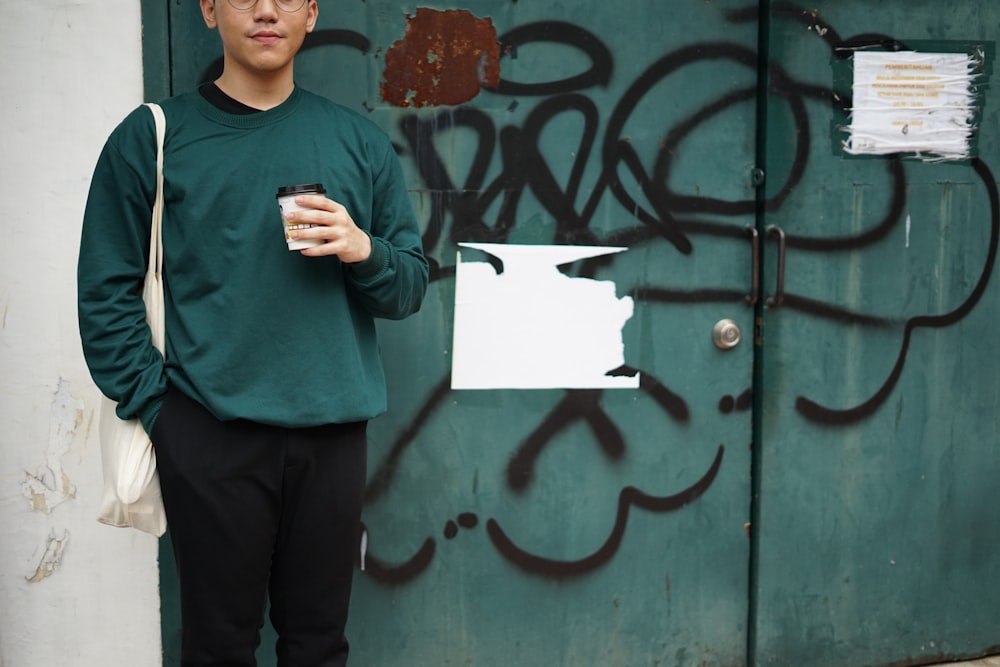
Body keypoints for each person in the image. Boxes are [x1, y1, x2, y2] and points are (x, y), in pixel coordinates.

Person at [77, 0, 428, 663]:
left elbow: (409, 285)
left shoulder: (358, 142)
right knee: (218, 647)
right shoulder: (154, 136)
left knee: (318, 645)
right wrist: (163, 413)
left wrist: (362, 247)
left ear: (312, 14)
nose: (266, 10)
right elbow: (104, 290)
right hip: (210, 431)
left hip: (332, 435)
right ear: (209, 10)